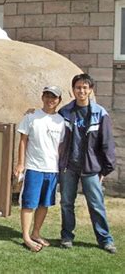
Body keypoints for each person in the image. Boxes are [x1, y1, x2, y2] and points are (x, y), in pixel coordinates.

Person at [58, 73, 117, 254]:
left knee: (96, 204)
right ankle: (67, 236)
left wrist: (105, 170)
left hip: (91, 168)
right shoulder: (65, 112)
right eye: (78, 87)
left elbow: (107, 142)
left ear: (90, 90)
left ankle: (105, 239)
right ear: (73, 90)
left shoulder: (100, 113)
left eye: (85, 87)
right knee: (67, 203)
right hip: (69, 167)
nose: (81, 90)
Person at [14, 86, 65, 252]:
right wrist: (21, 163)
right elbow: (23, 140)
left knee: (44, 203)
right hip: (34, 168)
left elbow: (60, 146)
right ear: (42, 97)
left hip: (52, 169)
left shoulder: (61, 121)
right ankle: (26, 236)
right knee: (29, 203)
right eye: (48, 96)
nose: (51, 100)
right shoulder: (31, 117)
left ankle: (36, 233)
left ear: (59, 100)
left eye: (54, 97)